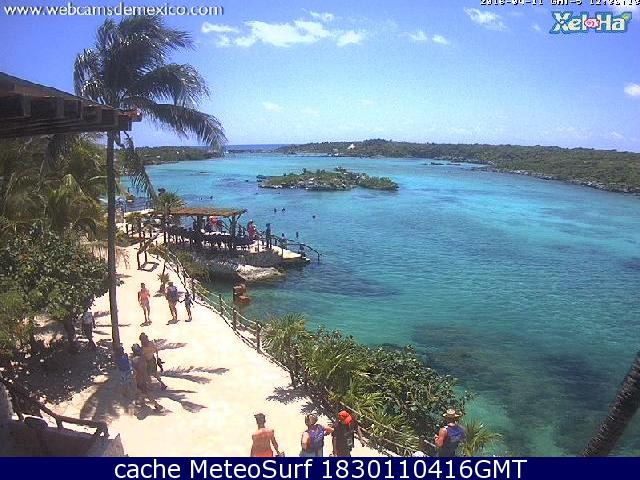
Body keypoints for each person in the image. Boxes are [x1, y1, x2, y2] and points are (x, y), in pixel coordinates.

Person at [131, 344, 163, 411]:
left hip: (139, 379)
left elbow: (135, 371)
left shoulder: (135, 360)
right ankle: (142, 402)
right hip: (144, 378)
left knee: (146, 393)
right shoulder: (142, 358)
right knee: (141, 391)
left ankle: (157, 406)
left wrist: (134, 378)